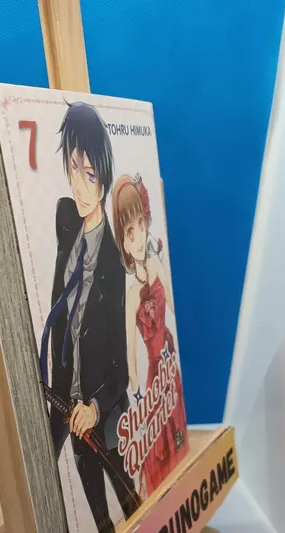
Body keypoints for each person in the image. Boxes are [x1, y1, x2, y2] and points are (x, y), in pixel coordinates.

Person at [39, 102, 138, 533]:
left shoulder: (114, 265)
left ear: (105, 174)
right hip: (63, 397)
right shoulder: (66, 219)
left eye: (91, 175)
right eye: (73, 170)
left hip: (100, 412)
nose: (80, 186)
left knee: (127, 500)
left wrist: (94, 408)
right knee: (95, 518)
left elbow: (120, 366)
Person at [112, 173, 187, 497]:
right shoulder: (131, 295)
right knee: (158, 441)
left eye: (141, 225)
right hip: (154, 369)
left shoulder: (155, 265)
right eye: (130, 232)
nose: (139, 237)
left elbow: (173, 305)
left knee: (177, 426)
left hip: (169, 358)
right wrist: (137, 391)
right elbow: (130, 353)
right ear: (123, 241)